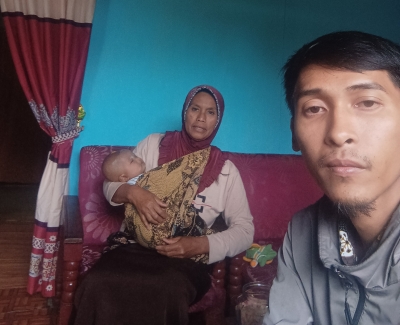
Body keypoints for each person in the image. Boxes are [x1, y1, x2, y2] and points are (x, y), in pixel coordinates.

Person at [74, 85, 254, 325]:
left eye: (211, 112)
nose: (201, 117)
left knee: (167, 288)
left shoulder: (226, 171)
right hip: (133, 246)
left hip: (185, 258)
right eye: (195, 108)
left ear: (217, 120)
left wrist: (199, 244)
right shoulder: (153, 145)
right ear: (185, 111)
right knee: (96, 282)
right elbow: (110, 183)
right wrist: (134, 193)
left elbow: (245, 230)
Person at [265, 31, 400, 325]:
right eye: (314, 108)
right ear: (294, 133)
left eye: (367, 103)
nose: (338, 133)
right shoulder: (302, 232)